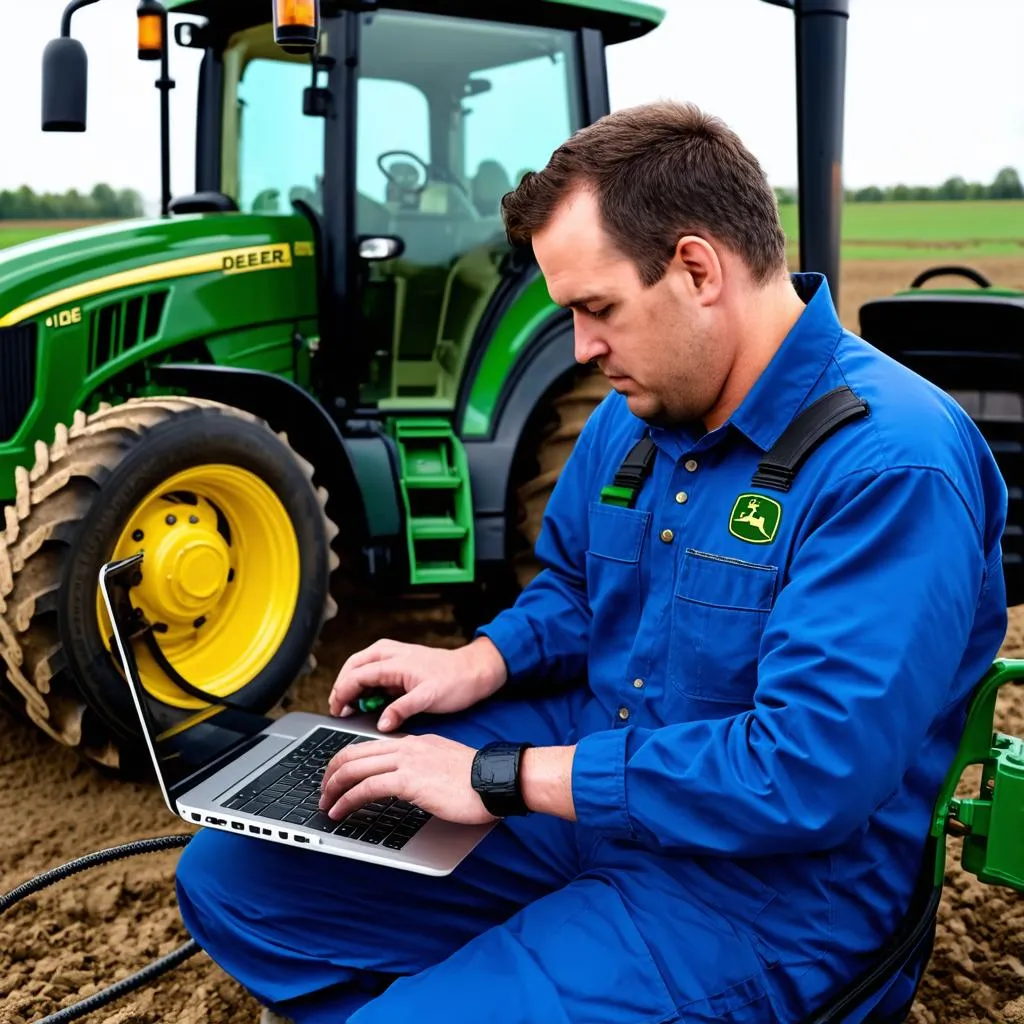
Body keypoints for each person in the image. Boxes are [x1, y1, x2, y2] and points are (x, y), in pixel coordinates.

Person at [175, 101, 1008, 1024]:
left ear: (697, 269)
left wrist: (502, 777)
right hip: (592, 795)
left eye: (595, 308)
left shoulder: (892, 465)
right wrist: (476, 664)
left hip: (761, 896)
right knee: (236, 880)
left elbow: (802, 773)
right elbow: (576, 588)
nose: (582, 348)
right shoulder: (635, 416)